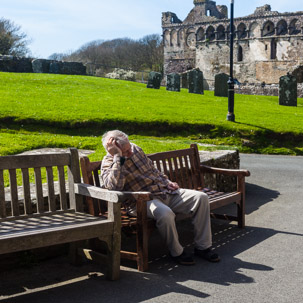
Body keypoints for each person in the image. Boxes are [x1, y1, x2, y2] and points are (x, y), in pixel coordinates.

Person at [100, 130, 220, 265]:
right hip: (141, 202)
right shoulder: (108, 163)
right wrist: (118, 157)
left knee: (201, 198)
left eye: (129, 148)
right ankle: (177, 252)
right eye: (126, 152)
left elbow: (153, 170)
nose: (131, 153)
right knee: (165, 213)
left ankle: (203, 247)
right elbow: (114, 188)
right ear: (113, 150)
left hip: (163, 192)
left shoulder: (135, 149)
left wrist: (167, 182)